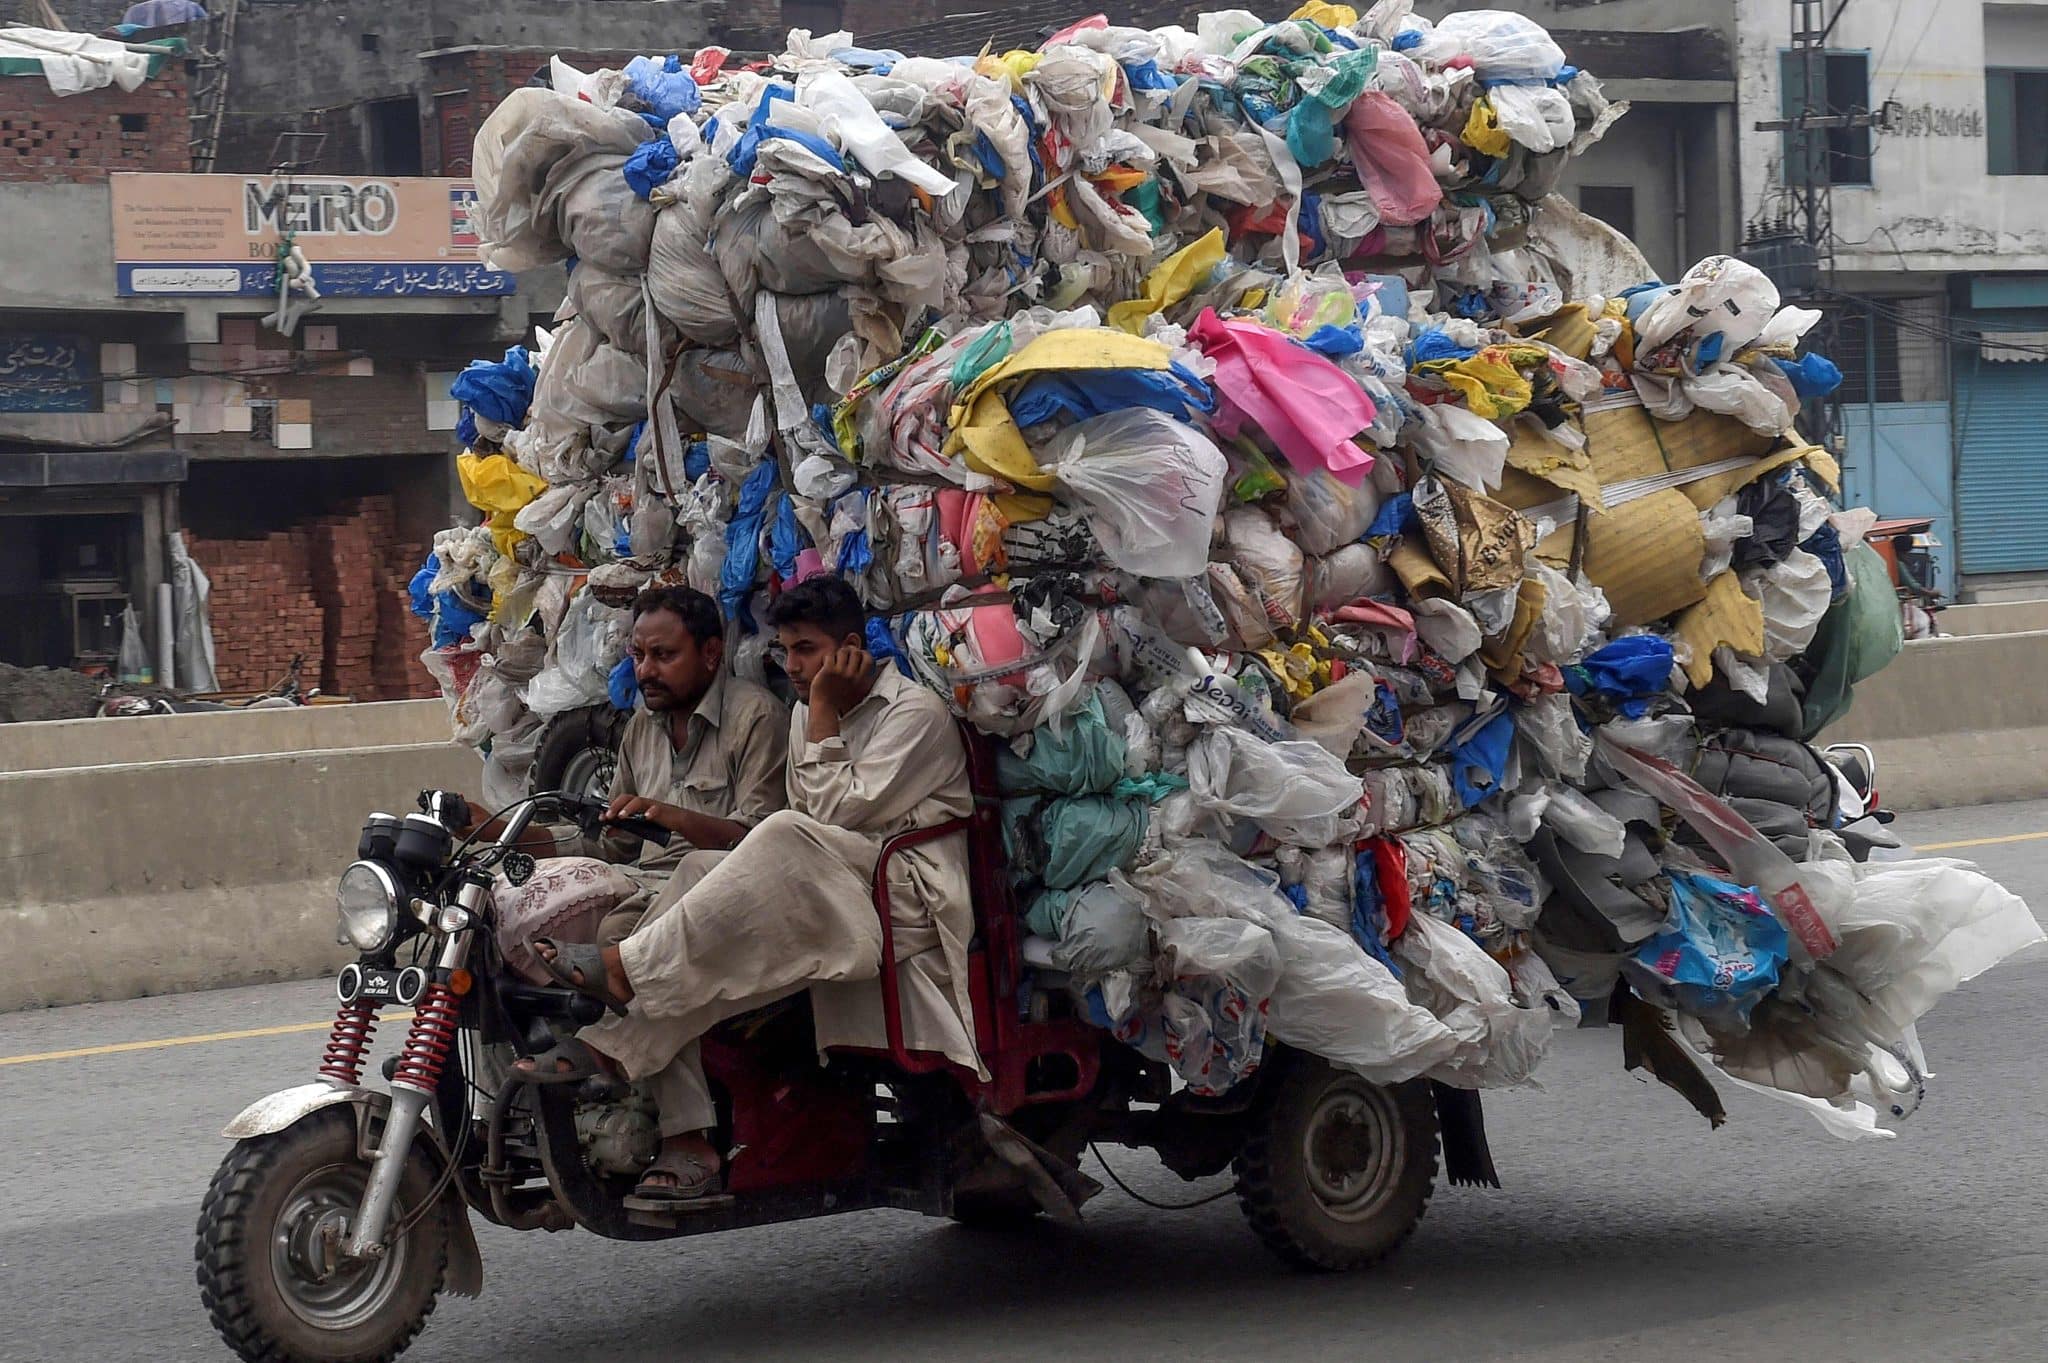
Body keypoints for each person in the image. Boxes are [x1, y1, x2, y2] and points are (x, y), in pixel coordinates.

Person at [531, 575, 985, 1205]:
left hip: (903, 896)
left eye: (806, 651)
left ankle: (622, 978)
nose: (793, 668)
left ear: (851, 648)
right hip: (835, 879)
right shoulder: (802, 712)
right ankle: (618, 1047)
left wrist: (823, 708)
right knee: (698, 872)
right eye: (786, 652)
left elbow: (826, 817)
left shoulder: (913, 716)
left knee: (781, 832)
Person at [488, 584, 789, 1204]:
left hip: (730, 892)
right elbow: (613, 847)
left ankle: (690, 1138)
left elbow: (764, 841)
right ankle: (527, 1100)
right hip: (648, 885)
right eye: (638, 655)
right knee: (511, 930)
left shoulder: (756, 716)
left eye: (663, 655)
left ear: (710, 653)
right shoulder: (640, 733)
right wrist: (517, 836)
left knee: (635, 944)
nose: (644, 671)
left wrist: (673, 817)